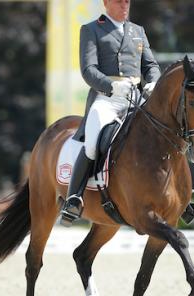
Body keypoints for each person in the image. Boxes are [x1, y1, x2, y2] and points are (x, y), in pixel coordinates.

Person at [60, 0, 161, 226]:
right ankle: (74, 198)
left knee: (166, 128)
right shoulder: (91, 29)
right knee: (93, 140)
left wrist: (154, 82)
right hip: (106, 97)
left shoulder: (138, 31)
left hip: (135, 96)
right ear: (106, 3)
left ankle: (183, 195)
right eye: (119, 0)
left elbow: (150, 65)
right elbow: (88, 70)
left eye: (127, 1)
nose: (125, 4)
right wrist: (111, 85)